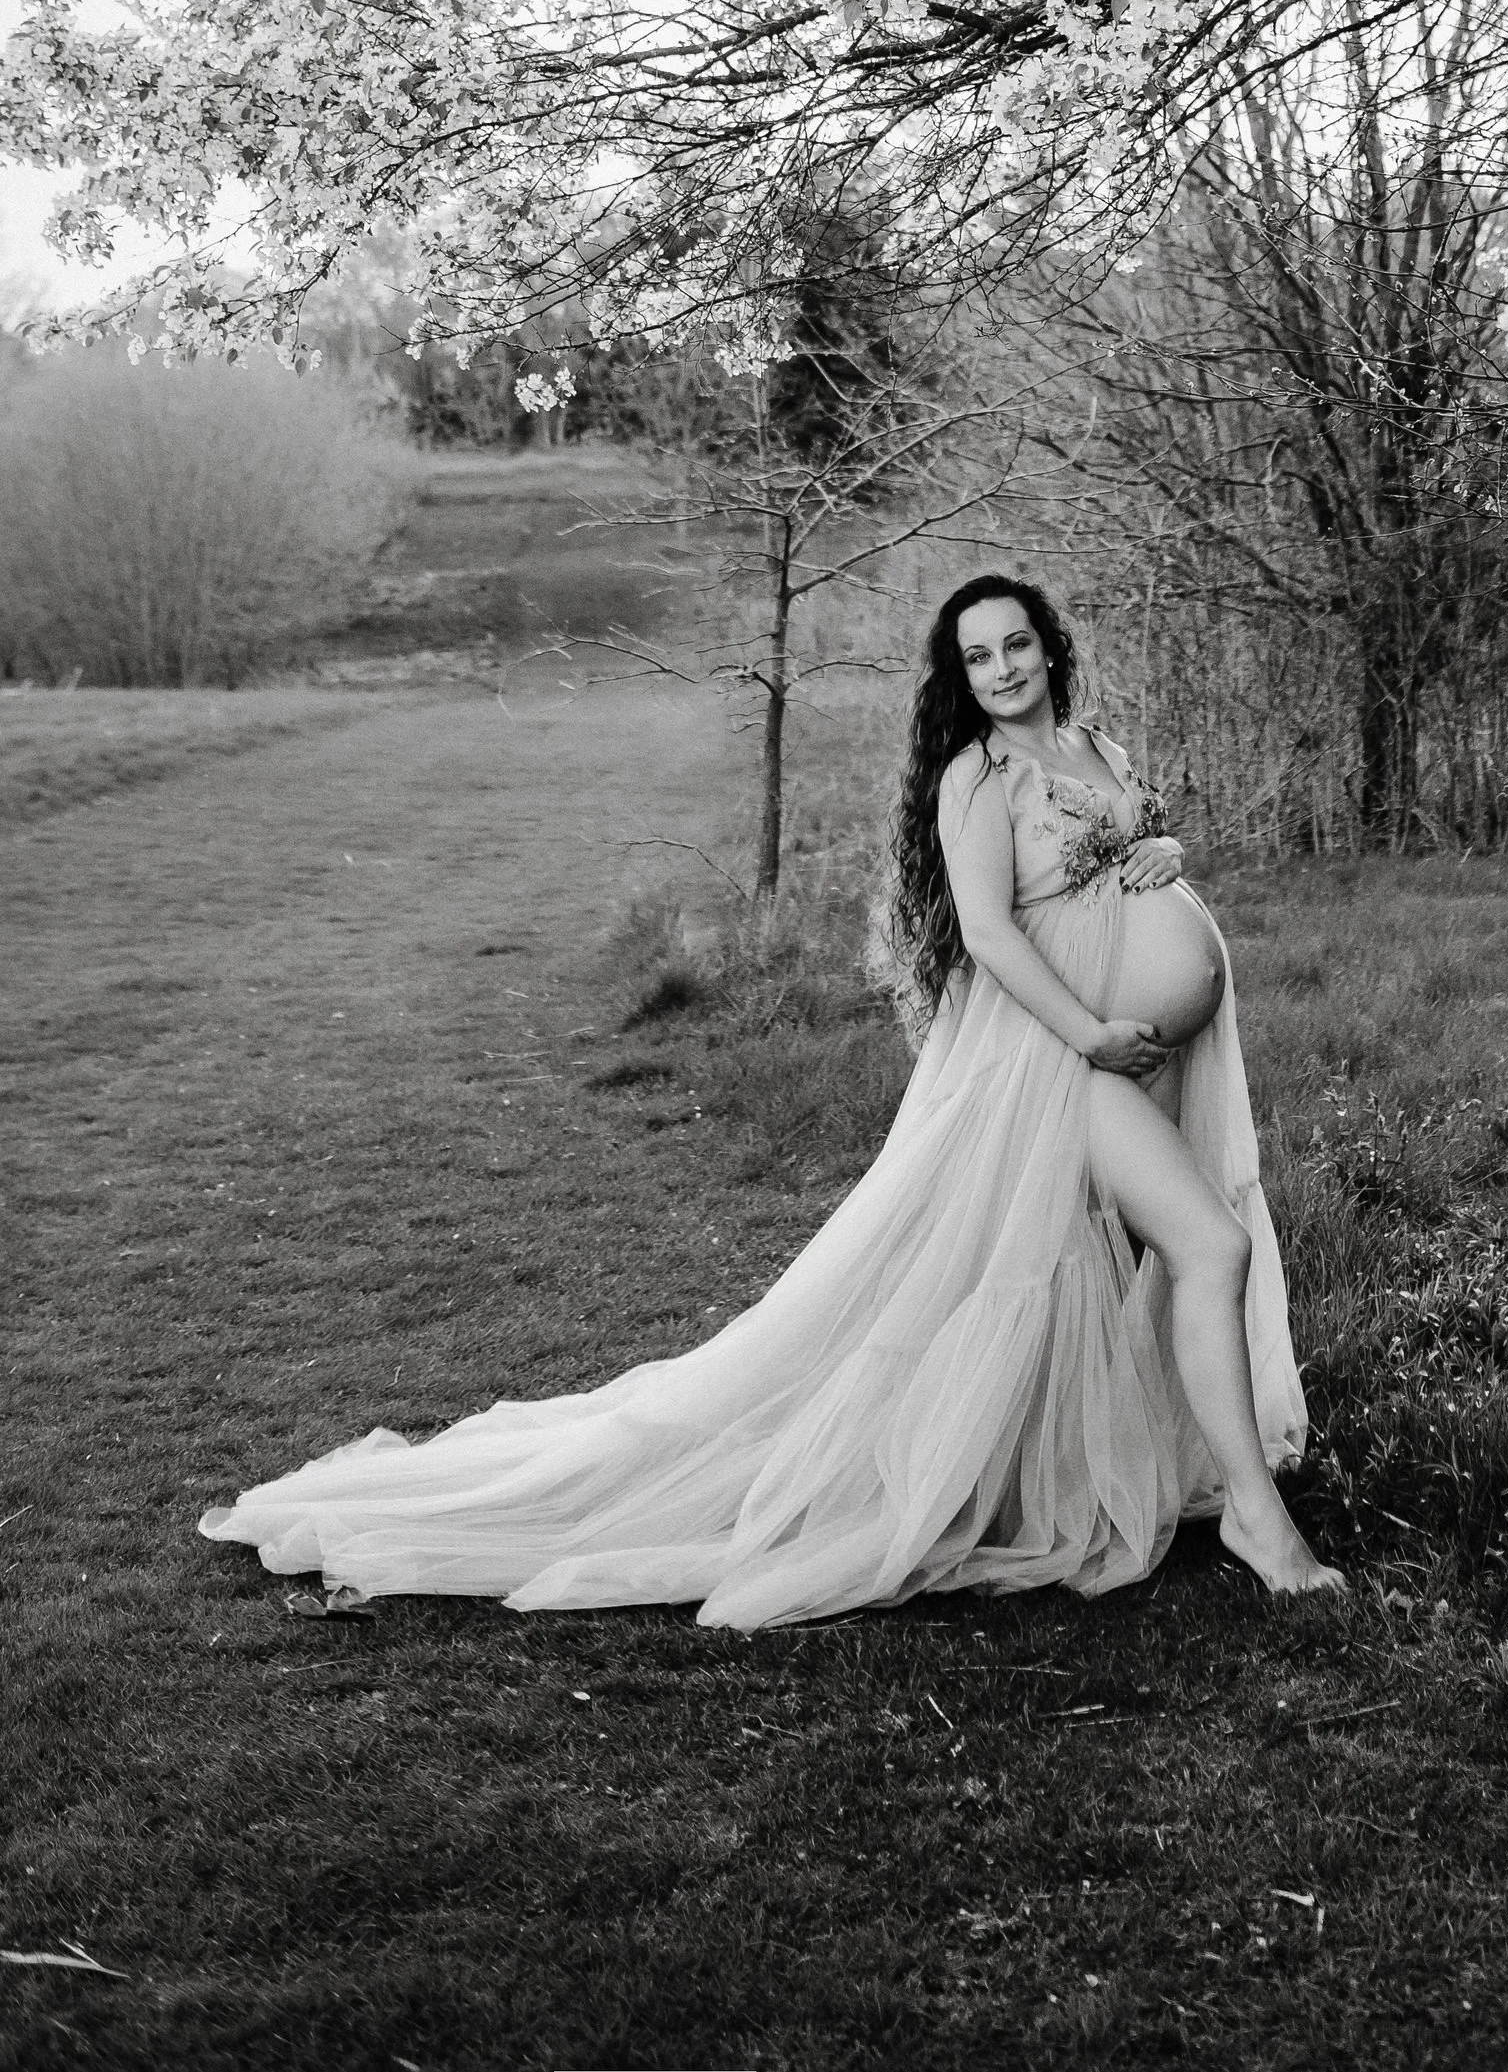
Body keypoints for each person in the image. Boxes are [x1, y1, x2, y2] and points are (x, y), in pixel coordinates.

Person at [200, 571, 1342, 1622]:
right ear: (959, 677)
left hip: (1118, 1059)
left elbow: (1135, 846)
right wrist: (1091, 1029)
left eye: (1016, 645)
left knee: (1157, 1262)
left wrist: (1167, 849)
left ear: (1050, 646)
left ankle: (1131, 1468)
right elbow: (990, 932)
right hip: (1053, 1066)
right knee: (1209, 1246)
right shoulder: (976, 779)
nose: (1001, 668)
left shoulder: (1097, 742)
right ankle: (1254, 1515)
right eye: (977, 656)